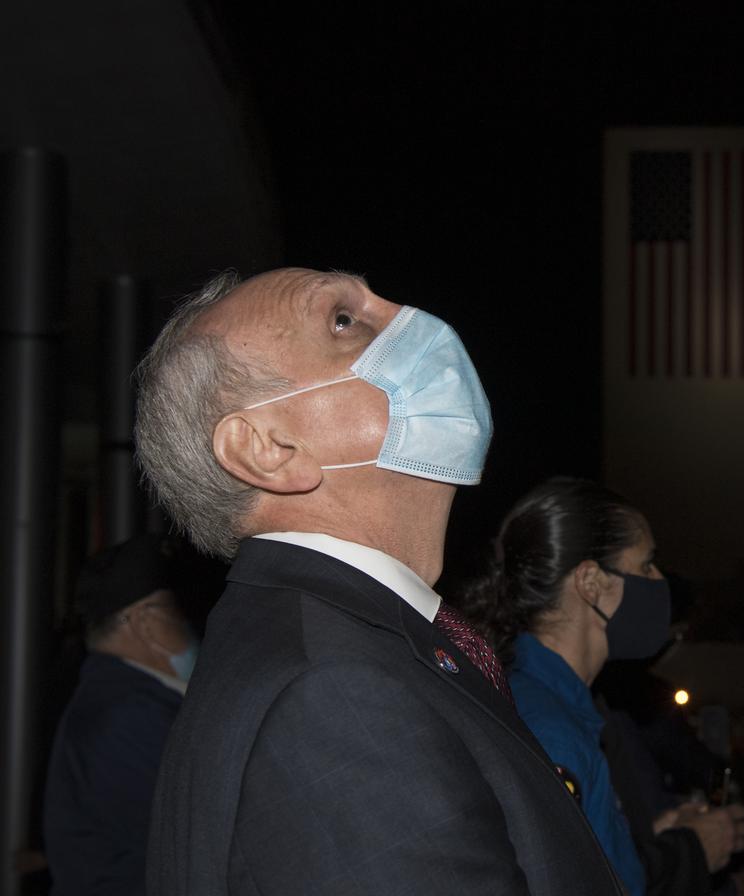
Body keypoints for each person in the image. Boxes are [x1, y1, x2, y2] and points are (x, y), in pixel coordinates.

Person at [133, 268, 621, 895]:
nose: (414, 321)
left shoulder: (349, 645)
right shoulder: (332, 691)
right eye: (343, 321)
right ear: (269, 449)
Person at [462, 476, 744, 895]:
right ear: (591, 583)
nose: (658, 581)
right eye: (646, 565)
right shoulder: (551, 731)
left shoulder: (552, 702)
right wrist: (690, 851)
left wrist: (643, 842)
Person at [43, 533, 196, 895]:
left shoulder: (122, 701)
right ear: (146, 622)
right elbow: (192, 842)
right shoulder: (128, 714)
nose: (189, 624)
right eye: (178, 610)